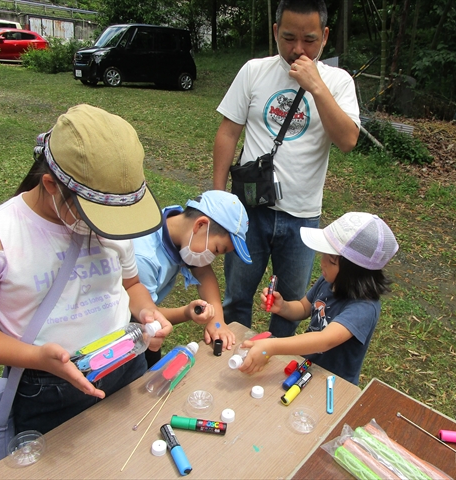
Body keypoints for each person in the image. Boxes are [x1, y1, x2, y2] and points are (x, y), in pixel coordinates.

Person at [0, 104, 172, 435]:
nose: (108, 228)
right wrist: (38, 357)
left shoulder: (114, 224)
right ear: (51, 185)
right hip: (49, 389)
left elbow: (131, 286)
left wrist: (147, 313)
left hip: (127, 363)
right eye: (97, 215)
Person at [212, 0, 360, 338]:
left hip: (302, 217)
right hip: (248, 210)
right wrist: (219, 197)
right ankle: (230, 365)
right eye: (288, 38)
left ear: (324, 36)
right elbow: (228, 132)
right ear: (275, 31)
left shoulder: (338, 82)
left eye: (308, 40)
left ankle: (272, 366)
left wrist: (316, 86)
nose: (297, 49)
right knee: (237, 299)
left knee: (290, 305)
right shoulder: (254, 71)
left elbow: (348, 140)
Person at [236, 212, 398, 385]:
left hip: (334, 383)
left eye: (332, 261)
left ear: (355, 273)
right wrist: (283, 307)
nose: (322, 263)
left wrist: (271, 346)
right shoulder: (330, 281)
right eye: (324, 256)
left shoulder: (364, 308)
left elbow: (324, 341)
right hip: (308, 367)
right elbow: (304, 307)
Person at [133, 190, 252, 365]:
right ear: (200, 225)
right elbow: (141, 315)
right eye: (217, 250)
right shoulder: (143, 258)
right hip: (123, 335)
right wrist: (186, 312)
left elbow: (204, 273)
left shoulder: (180, 230)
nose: (212, 258)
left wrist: (217, 320)